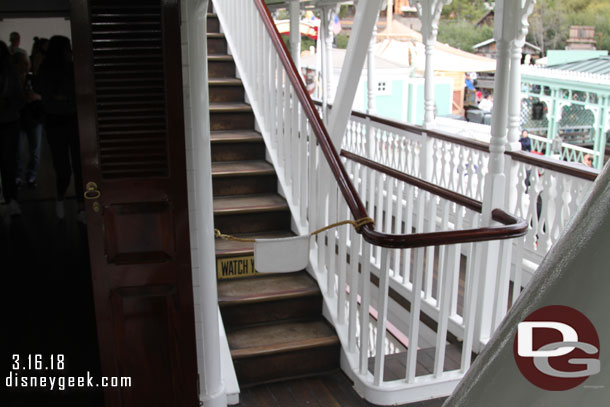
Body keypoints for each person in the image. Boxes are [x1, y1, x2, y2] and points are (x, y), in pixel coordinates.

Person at [36, 35, 84, 221]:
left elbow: (51, 96)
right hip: (59, 121)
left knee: (78, 165)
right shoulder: (48, 70)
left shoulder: (69, 69)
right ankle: (62, 197)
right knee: (63, 166)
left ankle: (79, 205)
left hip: (67, 120)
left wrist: (59, 98)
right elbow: (49, 95)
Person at [0, 41, 26, 216]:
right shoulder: (9, 73)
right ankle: (11, 199)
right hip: (9, 121)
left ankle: (10, 198)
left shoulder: (9, 73)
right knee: (8, 162)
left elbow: (19, 99)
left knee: (9, 162)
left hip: (9, 121)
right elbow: (20, 99)